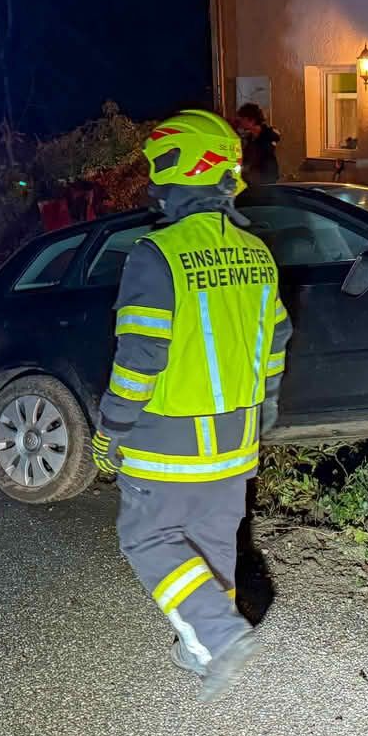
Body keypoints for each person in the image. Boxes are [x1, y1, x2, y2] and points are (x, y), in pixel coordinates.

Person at [92, 109, 291, 701]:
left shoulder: (157, 254)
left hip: (167, 441)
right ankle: (199, 644)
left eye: (158, 173)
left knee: (148, 538)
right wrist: (264, 410)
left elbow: (140, 358)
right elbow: (275, 341)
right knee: (211, 540)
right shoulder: (257, 253)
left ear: (176, 175)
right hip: (235, 440)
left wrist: (111, 427)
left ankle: (219, 635)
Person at [235, 102, 281, 186]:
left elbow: (263, 155)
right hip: (252, 179)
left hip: (265, 178)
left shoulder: (267, 135)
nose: (240, 122)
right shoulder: (249, 138)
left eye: (242, 118)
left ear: (251, 120)